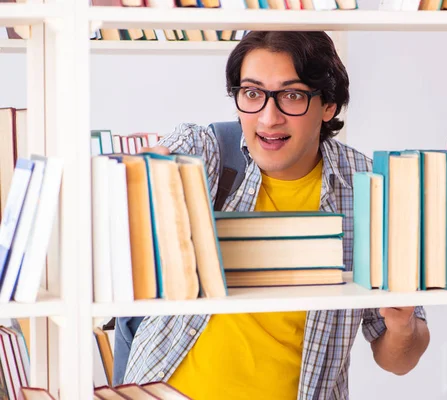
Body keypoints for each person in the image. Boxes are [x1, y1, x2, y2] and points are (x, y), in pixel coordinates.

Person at [119, 30, 430, 399]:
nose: (268, 118)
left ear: (328, 105)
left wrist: (402, 326)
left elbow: (399, 360)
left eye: (292, 95)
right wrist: (146, 168)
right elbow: (166, 153)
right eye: (252, 93)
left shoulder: (369, 190)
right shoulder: (210, 152)